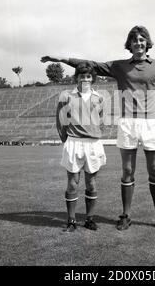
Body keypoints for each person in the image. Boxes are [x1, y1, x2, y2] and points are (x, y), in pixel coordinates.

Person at [42, 25, 155, 231]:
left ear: (147, 42)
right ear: (129, 44)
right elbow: (90, 64)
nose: (138, 43)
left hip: (151, 123)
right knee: (128, 171)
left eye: (142, 40)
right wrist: (61, 59)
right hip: (128, 122)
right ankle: (125, 215)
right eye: (134, 40)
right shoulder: (120, 66)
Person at [56, 62, 106, 232]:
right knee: (72, 184)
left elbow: (102, 122)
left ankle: (89, 219)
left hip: (93, 144)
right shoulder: (66, 96)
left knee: (91, 183)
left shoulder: (99, 97)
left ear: (92, 79)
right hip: (74, 142)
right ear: (76, 78)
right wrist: (67, 139)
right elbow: (60, 121)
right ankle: (71, 220)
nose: (85, 79)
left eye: (88, 76)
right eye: (82, 76)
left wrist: (93, 133)